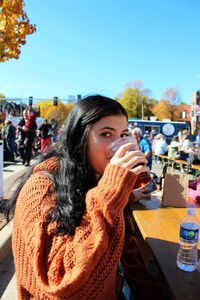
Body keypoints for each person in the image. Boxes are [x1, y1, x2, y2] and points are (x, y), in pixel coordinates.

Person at [0, 95, 165, 299]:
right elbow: (61, 284)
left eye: (123, 134)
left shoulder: (94, 178)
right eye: (106, 134)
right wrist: (111, 192)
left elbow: (93, 210)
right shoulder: (41, 188)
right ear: (79, 138)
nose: (120, 145)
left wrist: (125, 195)